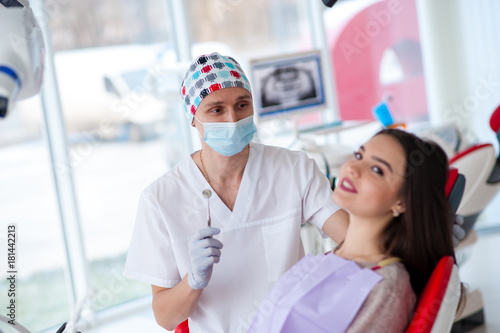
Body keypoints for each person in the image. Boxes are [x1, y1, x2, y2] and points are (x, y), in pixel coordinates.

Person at [124, 52, 350, 332]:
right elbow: (166, 318)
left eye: (242, 105)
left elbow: (353, 239)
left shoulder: (294, 168)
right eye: (216, 110)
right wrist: (192, 281)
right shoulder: (160, 200)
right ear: (193, 117)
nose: (233, 119)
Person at [248, 128, 464, 333]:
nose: (352, 168)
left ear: (402, 202)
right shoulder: (325, 260)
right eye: (359, 156)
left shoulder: (386, 285)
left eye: (377, 170)